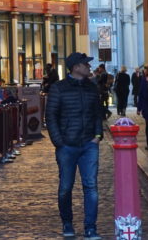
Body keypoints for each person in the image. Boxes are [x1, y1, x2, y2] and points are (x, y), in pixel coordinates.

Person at [45, 52, 104, 240]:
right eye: (86, 64)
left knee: (91, 186)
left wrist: (97, 135)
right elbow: (51, 116)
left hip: (89, 144)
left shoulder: (91, 87)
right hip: (67, 146)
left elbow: (97, 113)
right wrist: (59, 142)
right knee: (65, 187)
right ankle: (67, 223)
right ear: (76, 67)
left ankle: (90, 228)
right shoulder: (58, 88)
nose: (89, 67)